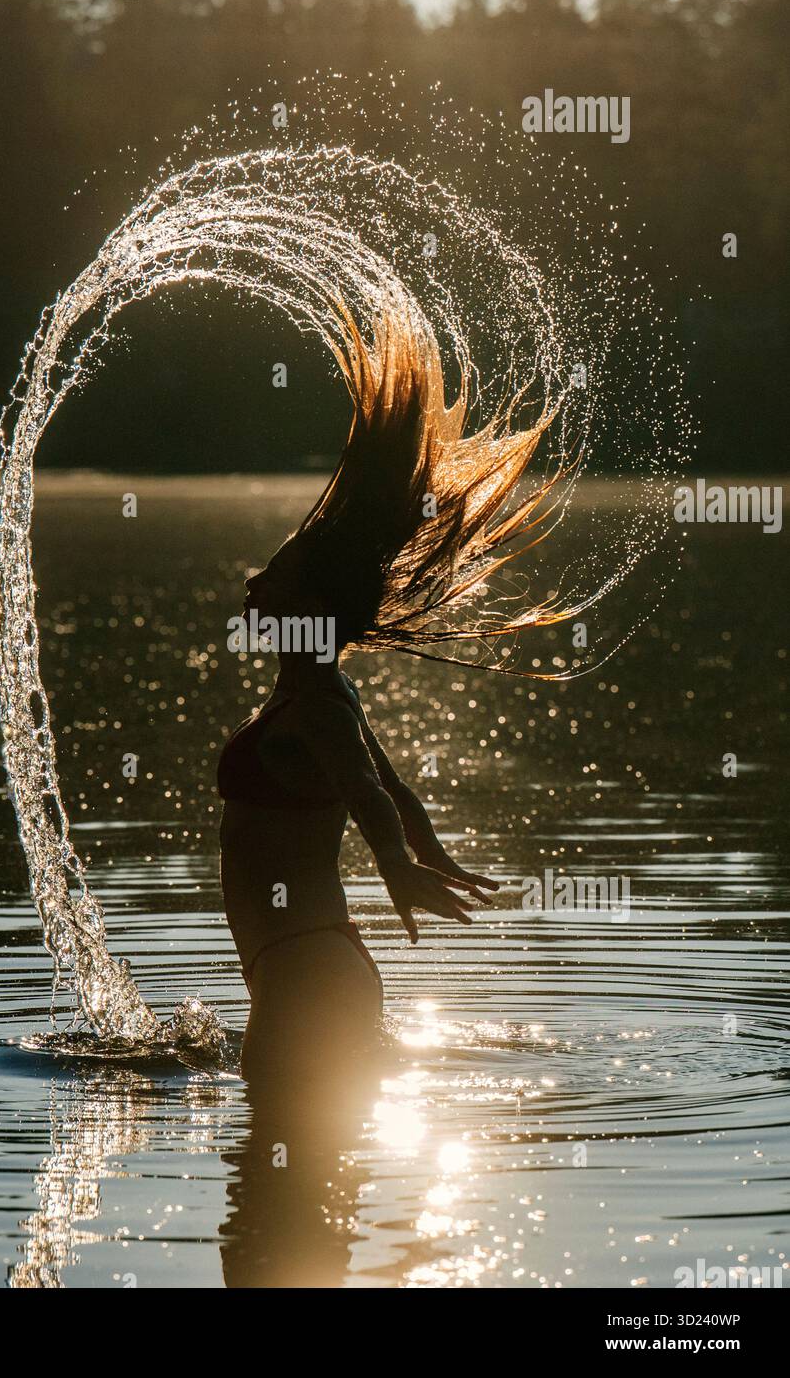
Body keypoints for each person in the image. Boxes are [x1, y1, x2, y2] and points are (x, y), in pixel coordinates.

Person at [218, 301, 566, 1092]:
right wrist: (426, 853)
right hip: (303, 968)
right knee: (297, 1196)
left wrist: (396, 865)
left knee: (279, 1194)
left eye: (272, 578)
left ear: (305, 607)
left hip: (307, 971)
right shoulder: (318, 689)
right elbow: (396, 787)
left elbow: (368, 791)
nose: (252, 584)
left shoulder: (315, 706)